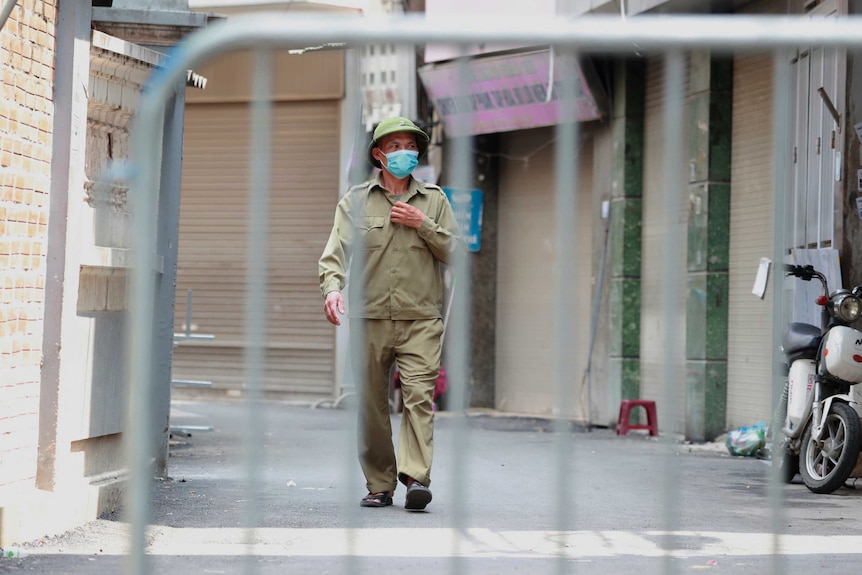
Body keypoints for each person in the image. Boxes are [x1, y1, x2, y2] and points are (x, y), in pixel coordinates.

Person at [318, 116, 462, 511]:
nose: (405, 153)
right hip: (369, 318)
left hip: (421, 319)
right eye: (395, 146)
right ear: (379, 155)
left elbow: (458, 253)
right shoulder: (355, 201)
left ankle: (416, 477)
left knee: (419, 398)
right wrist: (332, 290)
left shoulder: (435, 199)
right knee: (371, 404)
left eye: (411, 146)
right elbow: (335, 254)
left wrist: (424, 225)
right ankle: (380, 482)